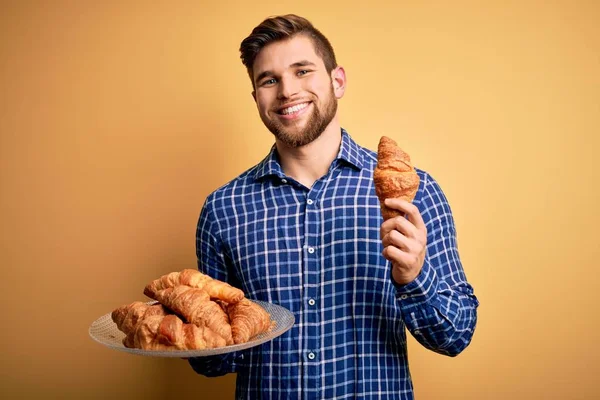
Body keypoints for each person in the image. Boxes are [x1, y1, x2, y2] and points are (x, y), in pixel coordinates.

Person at [188, 14, 479, 400]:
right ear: (257, 96)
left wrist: (414, 276)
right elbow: (215, 363)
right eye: (269, 80)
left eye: (303, 71)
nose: (287, 91)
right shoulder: (223, 210)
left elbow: (455, 336)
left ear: (337, 80)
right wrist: (189, 323)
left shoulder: (412, 193)